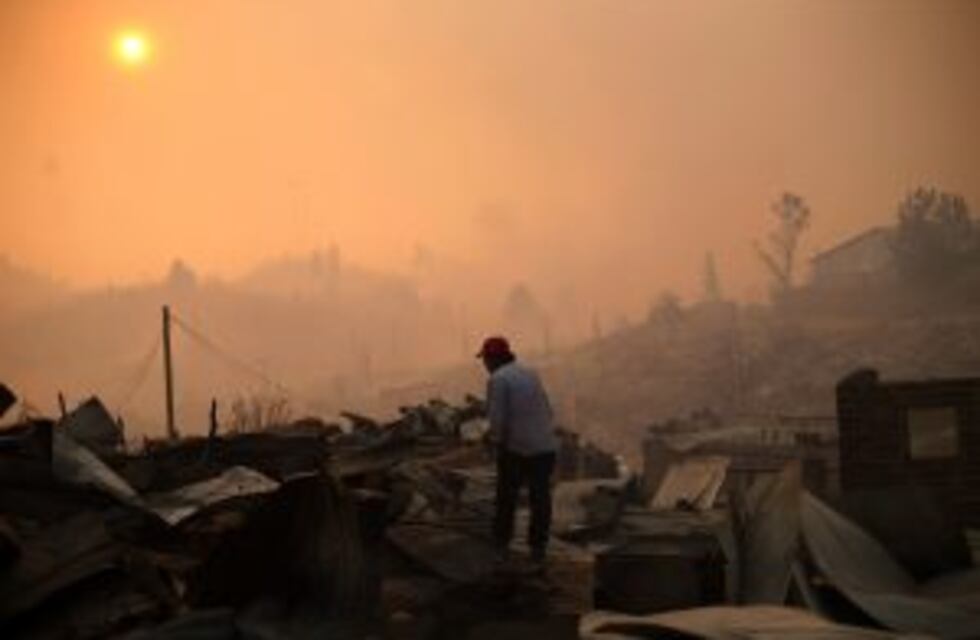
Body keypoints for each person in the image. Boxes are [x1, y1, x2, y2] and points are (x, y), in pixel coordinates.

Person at [477, 335, 558, 567]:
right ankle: (538, 551)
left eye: (485, 360)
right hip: (545, 446)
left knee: (506, 499)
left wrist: (492, 442)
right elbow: (547, 408)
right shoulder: (529, 372)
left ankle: (501, 549)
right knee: (540, 499)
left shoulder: (498, 380)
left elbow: (498, 421)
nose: (484, 365)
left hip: (519, 449)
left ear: (492, 360)